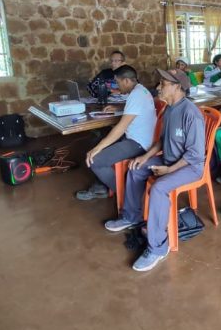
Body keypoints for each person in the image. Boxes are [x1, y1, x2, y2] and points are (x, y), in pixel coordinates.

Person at [104, 69, 205, 272]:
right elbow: (161, 141)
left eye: (163, 84)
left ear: (177, 87)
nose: (158, 87)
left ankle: (158, 247)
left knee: (159, 188)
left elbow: (195, 155)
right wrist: (145, 157)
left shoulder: (191, 114)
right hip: (168, 159)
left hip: (189, 167)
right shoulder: (169, 109)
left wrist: (169, 170)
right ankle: (131, 216)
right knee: (136, 168)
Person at [76, 65, 157, 200]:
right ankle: (101, 187)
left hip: (138, 143)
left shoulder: (136, 96)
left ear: (126, 81)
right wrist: (119, 109)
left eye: (118, 82)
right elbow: (134, 110)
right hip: (139, 138)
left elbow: (120, 128)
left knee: (94, 160)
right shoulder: (141, 90)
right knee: (99, 141)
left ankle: (126, 196)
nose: (117, 86)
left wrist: (97, 148)